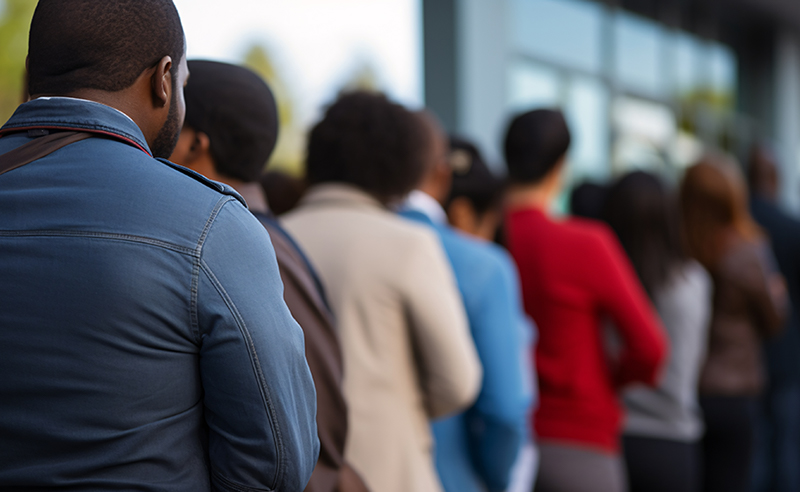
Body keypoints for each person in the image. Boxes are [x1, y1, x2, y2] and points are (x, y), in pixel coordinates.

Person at [0, 3, 318, 491]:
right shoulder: (209, 223)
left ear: (32, 73)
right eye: (185, 83)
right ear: (163, 80)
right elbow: (275, 464)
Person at [168, 60, 369, 492]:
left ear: (194, 145)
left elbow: (302, 436)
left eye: (171, 116)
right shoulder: (272, 237)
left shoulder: (238, 248)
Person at [282, 91, 482, 492]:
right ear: (404, 163)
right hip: (390, 470)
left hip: (297, 472)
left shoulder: (268, 236)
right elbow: (458, 381)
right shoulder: (408, 244)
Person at [502, 109, 667, 492]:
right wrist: (608, 377)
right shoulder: (586, 245)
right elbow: (650, 348)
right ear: (561, 166)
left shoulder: (478, 241)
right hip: (578, 441)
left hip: (495, 442)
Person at [400, 116, 533, 492]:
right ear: (462, 212)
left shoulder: (354, 246)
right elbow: (505, 410)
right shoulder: (484, 267)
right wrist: (495, 477)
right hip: (455, 476)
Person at [680, 155, 787, 492]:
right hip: (734, 390)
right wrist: (777, 292)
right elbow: (774, 319)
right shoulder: (746, 251)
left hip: (687, 386)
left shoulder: (679, 249)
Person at [602, 171, 712, 492]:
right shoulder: (693, 282)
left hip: (613, 435)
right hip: (673, 438)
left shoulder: (603, 281)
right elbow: (696, 360)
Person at [747, 145, 800, 492]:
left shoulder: (732, 228)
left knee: (753, 456)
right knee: (786, 453)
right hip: (787, 355)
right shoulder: (791, 227)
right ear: (776, 180)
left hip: (740, 360)